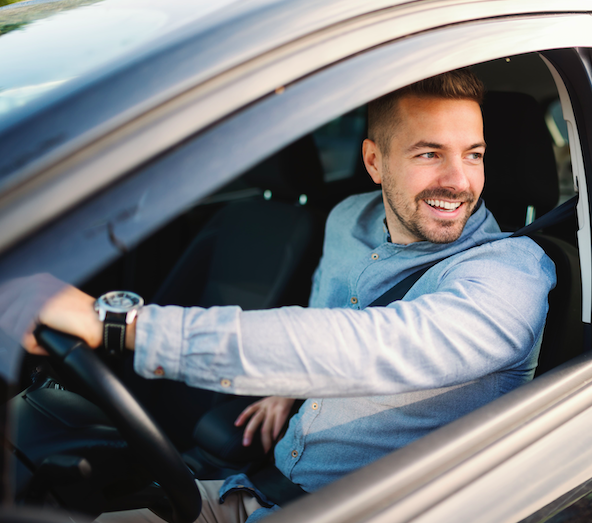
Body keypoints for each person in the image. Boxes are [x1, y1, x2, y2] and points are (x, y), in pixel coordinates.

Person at [25, 69, 556, 522]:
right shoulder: (350, 218)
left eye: (474, 154)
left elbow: (371, 347)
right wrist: (288, 387)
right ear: (374, 161)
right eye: (429, 154)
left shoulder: (509, 277)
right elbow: (326, 319)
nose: (459, 180)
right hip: (258, 487)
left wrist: (120, 324)